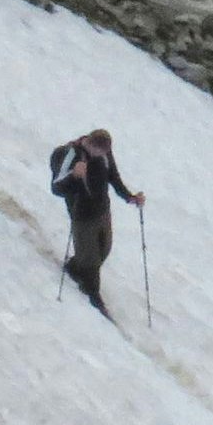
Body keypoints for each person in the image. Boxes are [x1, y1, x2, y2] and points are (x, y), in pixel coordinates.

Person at [47, 128, 143, 314]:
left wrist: (130, 197)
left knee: (104, 249)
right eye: (99, 152)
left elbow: (114, 178)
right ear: (91, 144)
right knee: (91, 259)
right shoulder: (71, 155)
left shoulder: (105, 154)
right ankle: (93, 294)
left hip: (102, 211)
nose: (102, 156)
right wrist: (74, 176)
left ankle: (75, 268)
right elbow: (56, 187)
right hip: (81, 214)